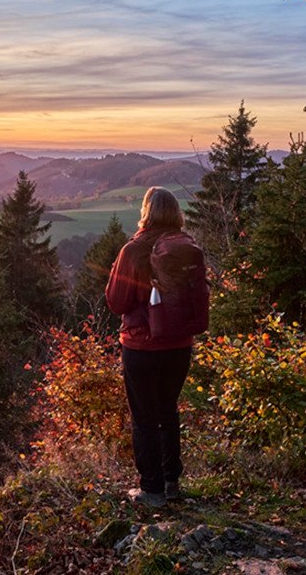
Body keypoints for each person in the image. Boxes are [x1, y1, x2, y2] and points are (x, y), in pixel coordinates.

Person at [105, 187, 199, 507]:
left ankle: (151, 489)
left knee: (144, 416)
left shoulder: (133, 250)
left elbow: (117, 302)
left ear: (146, 211)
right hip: (179, 345)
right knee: (167, 410)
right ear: (175, 213)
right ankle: (172, 481)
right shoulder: (186, 247)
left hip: (141, 346)